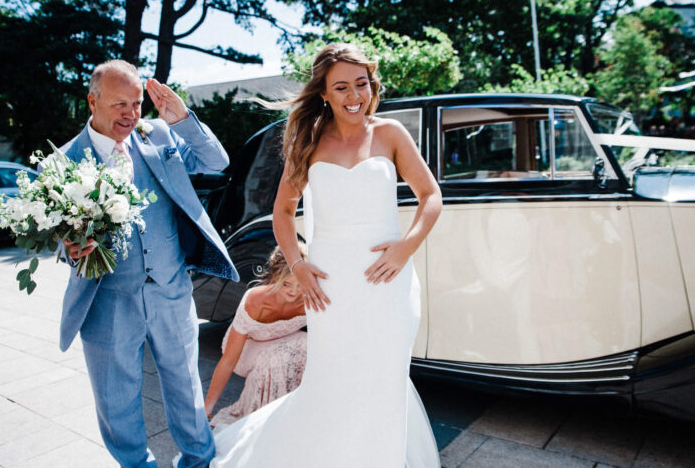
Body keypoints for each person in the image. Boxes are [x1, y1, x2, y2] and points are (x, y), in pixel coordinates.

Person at [211, 43, 442, 468]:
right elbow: (281, 212)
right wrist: (298, 265)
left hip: (390, 281)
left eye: (362, 83)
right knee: (333, 379)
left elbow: (431, 196)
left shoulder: (391, 134)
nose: (355, 95)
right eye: (342, 87)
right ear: (324, 93)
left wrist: (406, 246)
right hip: (331, 287)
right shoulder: (308, 142)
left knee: (385, 376)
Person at [58, 60, 239, 468]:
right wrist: (69, 247)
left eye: (137, 103)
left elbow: (217, 162)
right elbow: (57, 235)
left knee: (186, 385)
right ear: (93, 100)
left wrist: (183, 119)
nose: (131, 114)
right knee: (115, 398)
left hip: (172, 291)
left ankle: (199, 460)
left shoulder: (158, 134)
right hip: (107, 300)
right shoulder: (62, 163)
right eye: (120, 104)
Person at [204, 245, 308, 428]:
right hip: (245, 349)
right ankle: (261, 419)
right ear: (274, 277)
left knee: (306, 344)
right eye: (286, 283)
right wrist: (207, 408)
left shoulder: (308, 297)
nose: (294, 291)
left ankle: (297, 411)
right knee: (276, 357)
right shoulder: (255, 301)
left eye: (300, 284)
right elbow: (228, 360)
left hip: (283, 342)